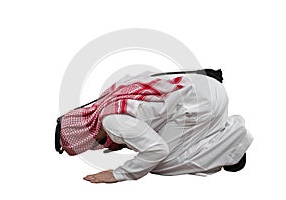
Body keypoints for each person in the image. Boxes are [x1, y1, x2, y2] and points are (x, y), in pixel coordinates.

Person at [59, 71, 253, 184]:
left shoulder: (112, 122)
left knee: (159, 163)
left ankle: (231, 144)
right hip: (209, 89)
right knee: (164, 142)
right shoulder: (108, 97)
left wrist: (118, 174)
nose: (94, 146)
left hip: (202, 106)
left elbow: (157, 150)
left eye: (89, 143)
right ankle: (221, 134)